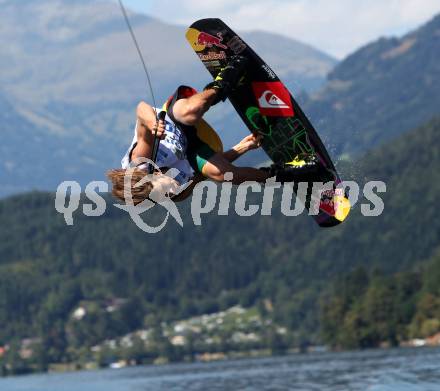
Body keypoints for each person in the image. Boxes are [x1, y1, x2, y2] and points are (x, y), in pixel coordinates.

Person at [108, 56, 316, 204]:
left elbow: (140, 109)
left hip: (174, 119)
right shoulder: (178, 193)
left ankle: (225, 81)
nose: (171, 191)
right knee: (225, 176)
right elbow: (208, 171)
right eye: (164, 196)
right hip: (194, 147)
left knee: (191, 111)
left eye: (165, 190)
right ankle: (286, 173)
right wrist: (241, 148)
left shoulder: (142, 160)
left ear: (152, 178)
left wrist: (153, 123)